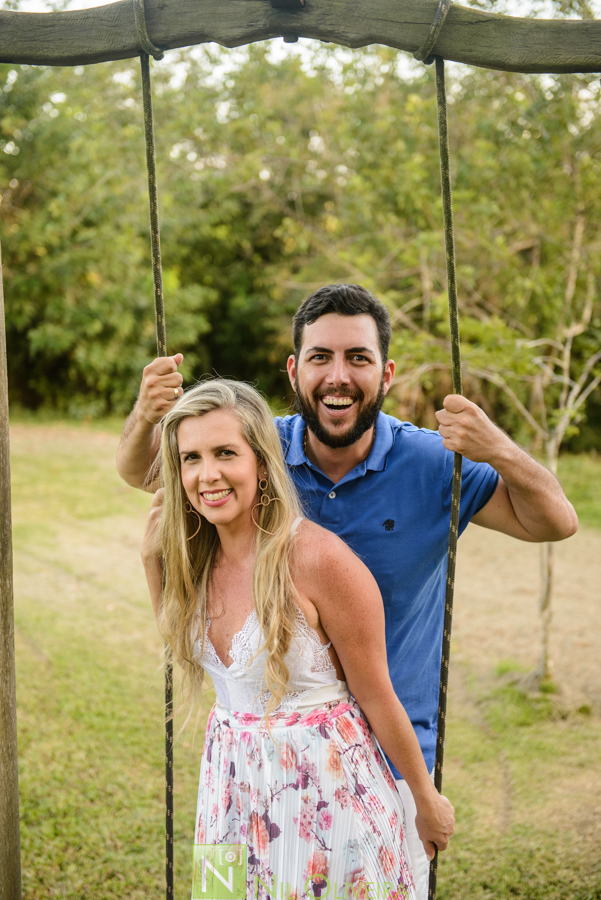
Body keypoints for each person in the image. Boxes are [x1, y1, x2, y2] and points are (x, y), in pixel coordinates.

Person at [119, 284, 578, 900]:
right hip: (240, 775)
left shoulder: (430, 463)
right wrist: (148, 413)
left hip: (386, 757)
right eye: (320, 357)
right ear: (294, 369)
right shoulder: (257, 445)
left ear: (385, 372)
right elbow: (151, 468)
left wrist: (491, 445)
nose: (338, 377)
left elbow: (555, 521)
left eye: (358, 358)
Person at [141, 379, 455, 900]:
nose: (207, 474)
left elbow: (377, 693)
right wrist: (151, 560)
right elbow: (185, 649)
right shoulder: (192, 558)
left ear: (262, 463)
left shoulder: (318, 560)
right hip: (229, 784)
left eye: (225, 453)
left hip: (324, 792)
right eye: (190, 458)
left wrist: (425, 800)